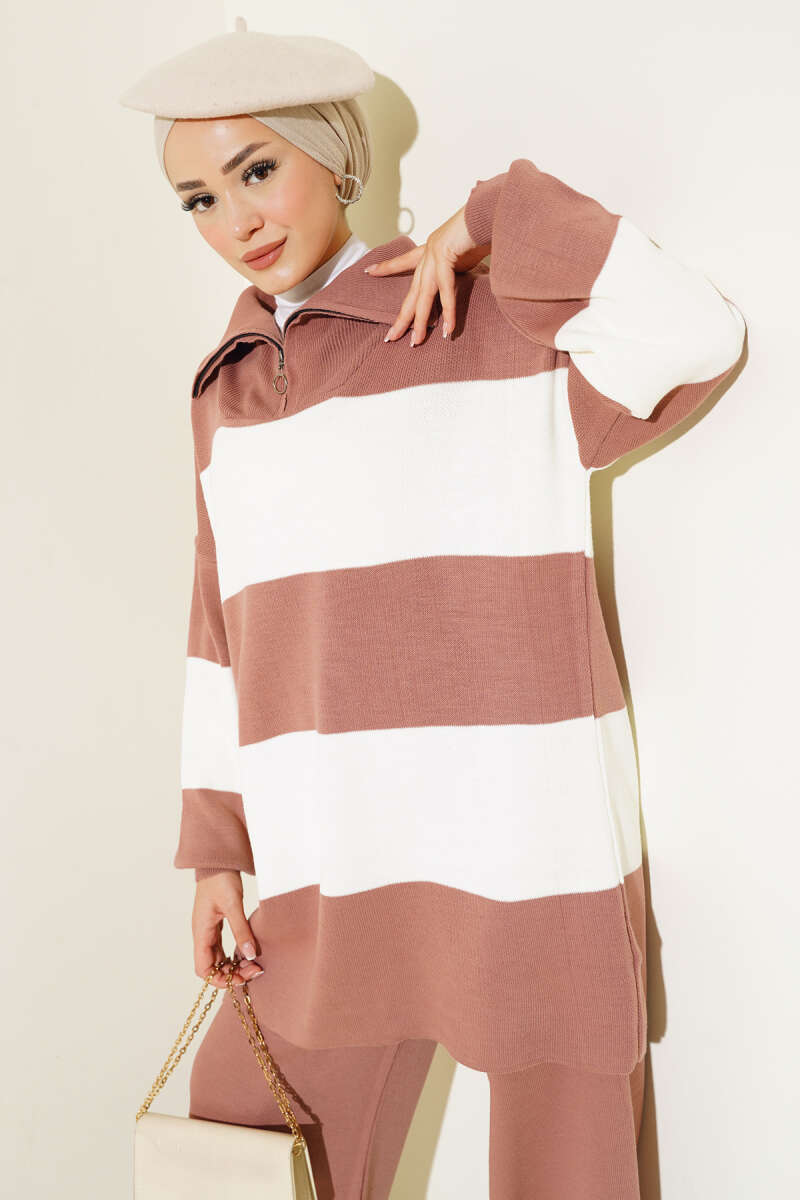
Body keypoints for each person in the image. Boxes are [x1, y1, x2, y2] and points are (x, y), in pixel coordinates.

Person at [119, 18, 747, 1200]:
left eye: (257, 169)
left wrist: (506, 214)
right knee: (240, 1137)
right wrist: (215, 853)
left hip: (520, 832)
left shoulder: (494, 318)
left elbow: (697, 335)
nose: (235, 219)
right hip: (324, 840)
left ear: (334, 157)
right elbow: (219, 626)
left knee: (564, 1164)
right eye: (198, 198)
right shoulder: (229, 390)